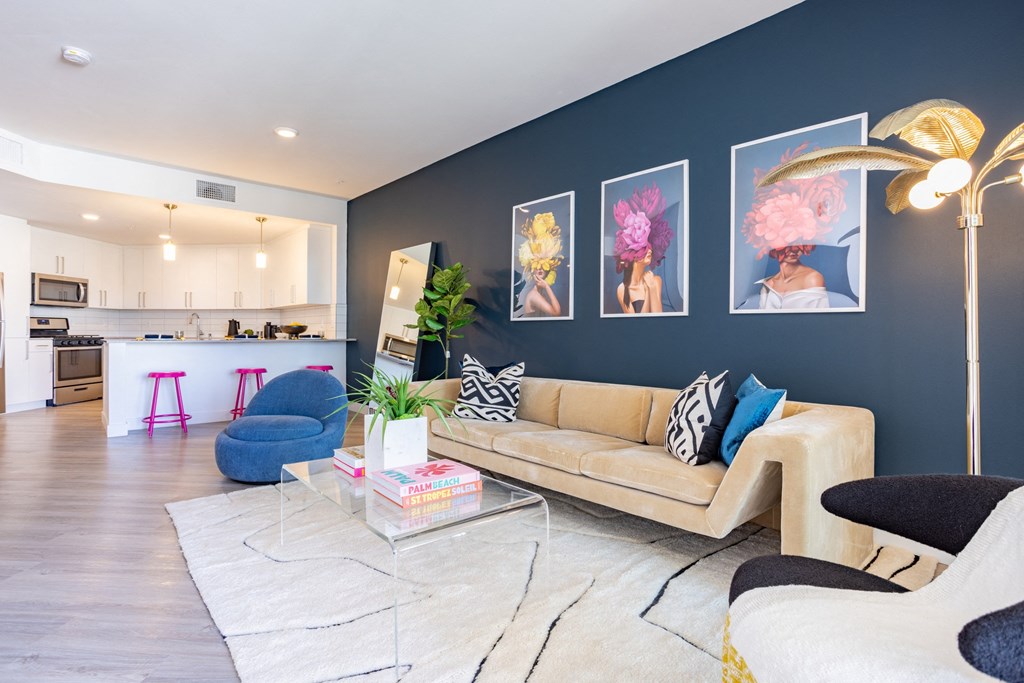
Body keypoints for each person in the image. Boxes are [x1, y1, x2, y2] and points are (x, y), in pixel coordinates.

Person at [756, 245, 829, 309]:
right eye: (786, 244)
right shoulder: (768, 285)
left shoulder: (812, 279)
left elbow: (821, 318)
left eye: (799, 243)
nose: (795, 249)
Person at [616, 247, 663, 314]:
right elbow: (635, 320)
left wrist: (652, 287)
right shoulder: (622, 289)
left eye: (650, 247)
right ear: (633, 255)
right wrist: (647, 291)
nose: (650, 251)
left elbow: (658, 317)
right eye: (644, 248)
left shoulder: (655, 280)